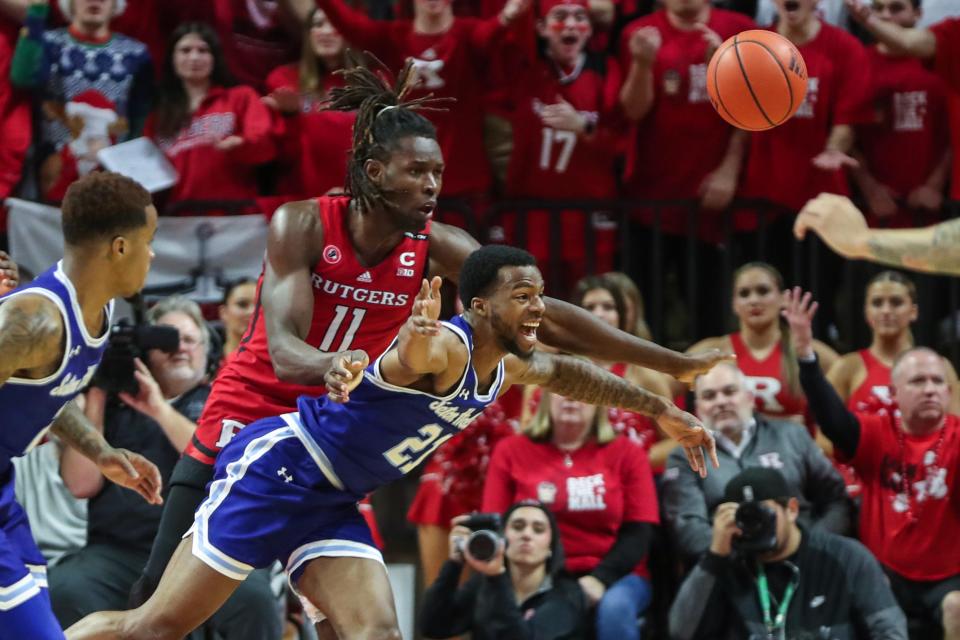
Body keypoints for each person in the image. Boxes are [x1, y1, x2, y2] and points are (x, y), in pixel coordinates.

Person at [130, 57, 729, 610]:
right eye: (417, 171)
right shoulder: (305, 222)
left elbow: (544, 313)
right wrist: (333, 364)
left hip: (332, 433)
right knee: (161, 596)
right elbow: (283, 350)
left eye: (438, 172)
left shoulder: (438, 245)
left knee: (351, 619)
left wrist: (672, 364)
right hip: (256, 404)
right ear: (374, 171)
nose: (433, 185)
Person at [67, 245, 718, 640]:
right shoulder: (443, 347)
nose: (538, 309)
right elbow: (414, 352)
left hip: (333, 497)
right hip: (281, 470)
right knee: (153, 627)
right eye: (524, 296)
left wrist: (663, 405)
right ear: (482, 306)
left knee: (376, 630)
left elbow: (570, 371)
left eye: (541, 296)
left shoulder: (510, 361)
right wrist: (414, 334)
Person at [0, 171, 162, 639]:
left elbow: (45, 393)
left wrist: (100, 450)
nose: (152, 254)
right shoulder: (33, 321)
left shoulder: (101, 311)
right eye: (148, 240)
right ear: (119, 247)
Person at [786, 286, 960, 636]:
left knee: (958, 607)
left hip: (949, 577)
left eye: (937, 382)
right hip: (885, 572)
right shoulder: (878, 432)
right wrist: (805, 356)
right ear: (894, 393)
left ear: (948, 391)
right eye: (918, 381)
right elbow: (834, 421)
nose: (929, 389)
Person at [484, 384, 659, 640]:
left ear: (599, 403)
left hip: (616, 574)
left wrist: (600, 579)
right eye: (561, 387)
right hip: (535, 574)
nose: (571, 396)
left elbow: (640, 532)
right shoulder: (510, 451)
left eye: (582, 391)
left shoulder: (628, 454)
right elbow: (496, 524)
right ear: (544, 397)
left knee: (614, 610)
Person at [668, 467, 907, 640]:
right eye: (747, 518)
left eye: (763, 514)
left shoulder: (847, 557)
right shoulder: (727, 564)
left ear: (791, 510)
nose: (756, 526)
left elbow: (890, 631)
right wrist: (714, 556)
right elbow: (681, 631)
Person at [662, 362, 851, 562]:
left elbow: (837, 501)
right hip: (730, 569)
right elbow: (688, 530)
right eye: (709, 396)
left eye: (729, 391)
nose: (721, 402)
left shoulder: (792, 436)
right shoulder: (684, 457)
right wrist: (740, 553)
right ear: (698, 409)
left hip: (804, 558)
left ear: (750, 398)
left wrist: (811, 545)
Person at [10, 0, 152, 203]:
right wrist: (37, 10)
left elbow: (140, 119)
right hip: (53, 182)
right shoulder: (48, 44)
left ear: (115, 5)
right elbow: (22, 77)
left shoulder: (136, 54)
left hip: (112, 185)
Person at [145, 22, 276, 211]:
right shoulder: (157, 118)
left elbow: (266, 147)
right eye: (185, 50)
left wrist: (240, 145)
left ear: (215, 58)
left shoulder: (240, 97)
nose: (194, 57)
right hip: (176, 220)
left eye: (203, 50)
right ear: (172, 59)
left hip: (236, 216)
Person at [686, 262, 838, 423]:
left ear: (782, 299)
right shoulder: (712, 350)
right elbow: (659, 381)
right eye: (744, 294)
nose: (753, 300)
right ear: (734, 304)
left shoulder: (807, 351)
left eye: (763, 291)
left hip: (792, 447)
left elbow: (845, 402)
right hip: (725, 448)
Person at [419, 500, 588, 640]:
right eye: (517, 526)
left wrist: (496, 577)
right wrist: (454, 564)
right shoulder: (482, 584)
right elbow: (433, 626)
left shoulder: (567, 594)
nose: (526, 535)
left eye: (538, 529)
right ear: (503, 538)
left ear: (550, 546)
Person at [851, 0, 951, 228]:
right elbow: (844, 133)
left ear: (918, 13)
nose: (885, 16)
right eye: (877, 8)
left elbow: (955, 132)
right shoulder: (858, 63)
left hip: (933, 208)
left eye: (896, 8)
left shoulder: (939, 62)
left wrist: (936, 184)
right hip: (874, 211)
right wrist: (870, 188)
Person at [828, 271, 960, 416]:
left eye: (896, 302)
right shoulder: (847, 368)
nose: (886, 310)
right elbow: (824, 434)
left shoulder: (940, 367)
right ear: (867, 312)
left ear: (913, 311)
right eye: (877, 303)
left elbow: (957, 429)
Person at [263, 6, 354, 200]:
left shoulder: (377, 81)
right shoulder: (284, 80)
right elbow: (280, 157)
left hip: (363, 201)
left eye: (335, 24)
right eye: (318, 24)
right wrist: (290, 117)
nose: (326, 32)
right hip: (304, 200)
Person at [218, 278, 257, 362]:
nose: (252, 312)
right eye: (242, 304)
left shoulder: (276, 363)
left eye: (259, 306)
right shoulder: (207, 361)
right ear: (224, 312)